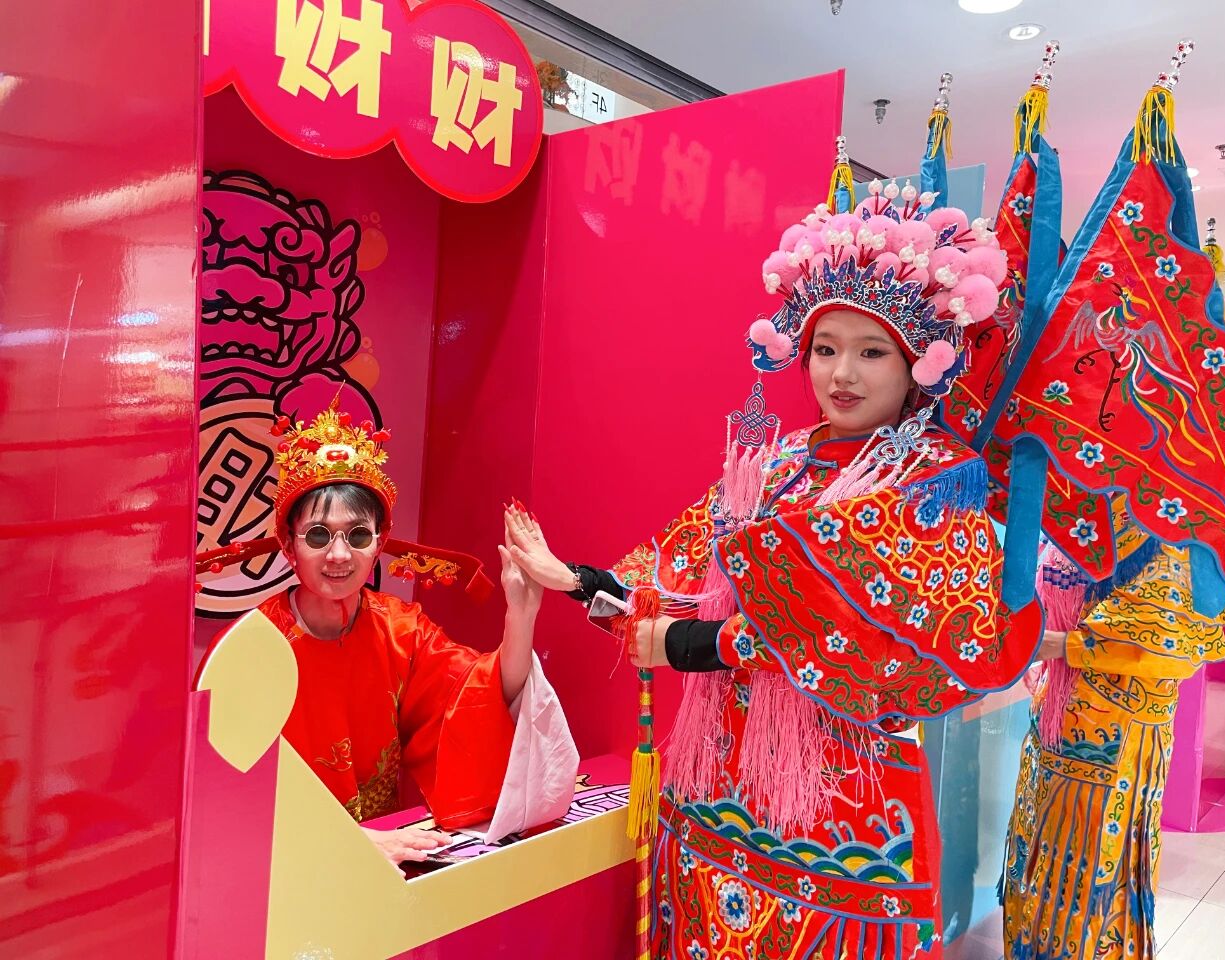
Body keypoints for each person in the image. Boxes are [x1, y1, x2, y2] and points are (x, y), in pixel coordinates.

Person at [505, 169, 1041, 958]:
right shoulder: (776, 462)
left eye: (871, 352)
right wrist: (579, 580)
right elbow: (675, 582)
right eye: (825, 349)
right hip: (718, 783)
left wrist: (695, 646)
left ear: (917, 364)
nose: (841, 375)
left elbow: (860, 630)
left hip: (840, 806)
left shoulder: (932, 478)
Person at [202, 401, 576, 865]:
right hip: (285, 860)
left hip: (387, 855)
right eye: (318, 535)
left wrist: (521, 614)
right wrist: (344, 844)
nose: (339, 555)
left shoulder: (401, 630)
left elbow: (484, 694)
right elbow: (224, 796)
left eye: (358, 536)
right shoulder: (249, 651)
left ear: (379, 543)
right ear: (288, 544)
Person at [1001, 504, 1225, 960]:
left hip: (1116, 734)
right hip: (1056, 714)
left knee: (1092, 868)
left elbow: (1172, 644)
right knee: (1037, 851)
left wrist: (1061, 645)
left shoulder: (1178, 524)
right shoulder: (1090, 505)